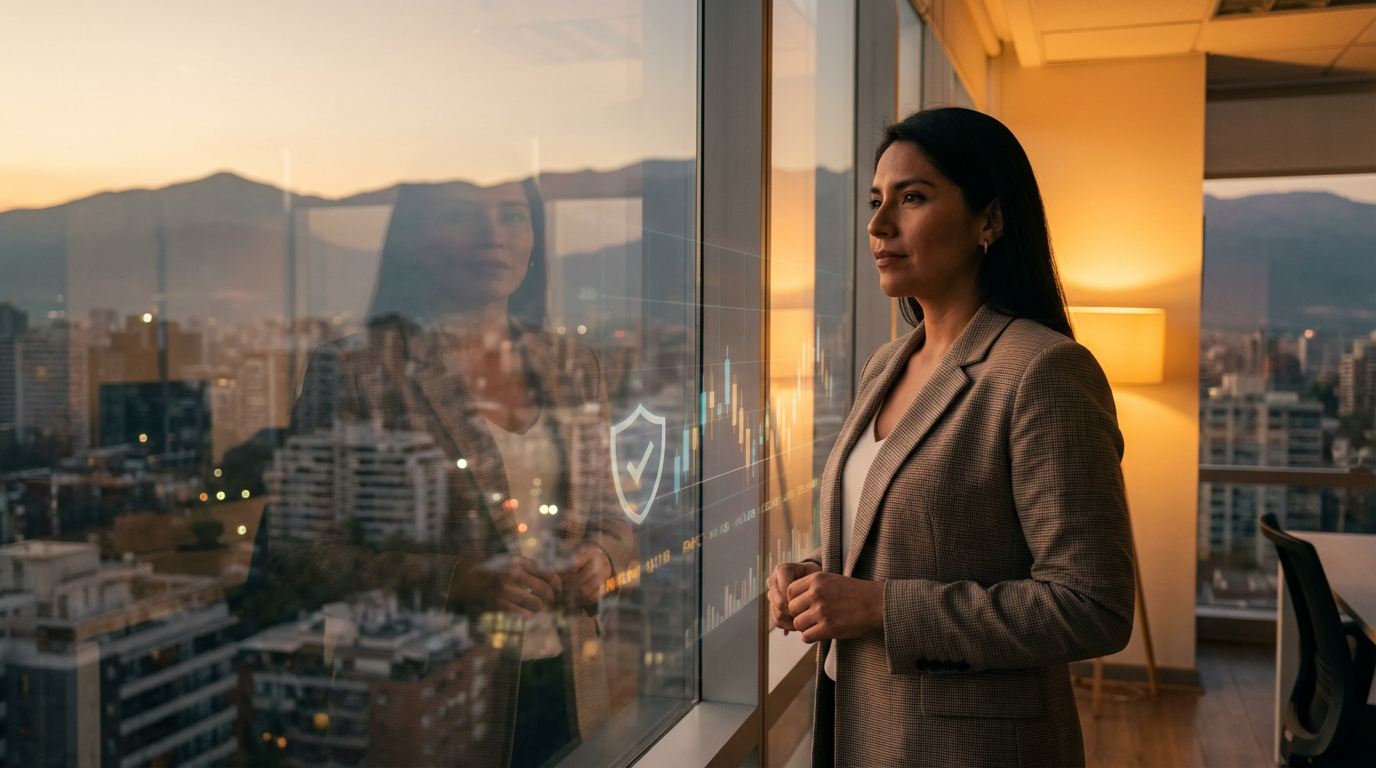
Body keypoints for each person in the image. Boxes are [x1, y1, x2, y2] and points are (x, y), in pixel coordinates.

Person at [766, 108, 1136, 767]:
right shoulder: (888, 364)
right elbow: (908, 535)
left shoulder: (1042, 371)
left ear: (989, 221)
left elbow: (1093, 605)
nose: (880, 225)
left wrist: (880, 608)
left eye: (912, 198)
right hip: (855, 728)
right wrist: (821, 577)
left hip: (967, 749)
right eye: (877, 201)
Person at [250, 179, 633, 767]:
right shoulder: (356, 370)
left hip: (568, 688)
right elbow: (294, 553)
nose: (493, 237)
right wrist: (458, 583)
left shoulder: (573, 365)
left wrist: (601, 560)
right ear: (414, 241)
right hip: (428, 705)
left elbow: (609, 511)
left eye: (513, 216)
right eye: (461, 216)